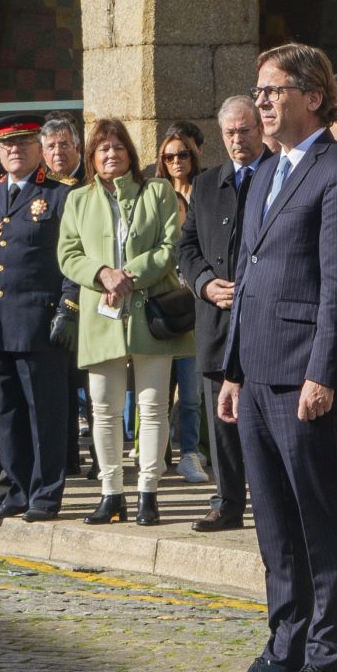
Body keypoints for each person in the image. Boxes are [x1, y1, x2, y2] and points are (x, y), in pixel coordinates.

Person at [210, 44, 337, 672]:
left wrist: (324, 373)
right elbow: (247, 277)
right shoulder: (269, 171)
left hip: (304, 375)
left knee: (320, 522)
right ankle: (285, 648)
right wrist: (232, 369)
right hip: (255, 374)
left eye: (274, 90)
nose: (262, 101)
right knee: (275, 523)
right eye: (259, 90)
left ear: (313, 95)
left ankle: (327, 662)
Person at [55, 118, 189, 525]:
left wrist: (127, 275)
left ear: (130, 153)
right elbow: (68, 253)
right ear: (92, 157)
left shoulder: (158, 191)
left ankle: (149, 491)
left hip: (151, 311)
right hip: (101, 315)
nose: (111, 155)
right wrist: (102, 274)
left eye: (118, 148)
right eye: (103, 149)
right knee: (104, 409)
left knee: (151, 408)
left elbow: (171, 245)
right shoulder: (78, 200)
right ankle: (111, 492)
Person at [0, 116, 76, 522]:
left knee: (44, 413)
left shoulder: (60, 194)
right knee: (6, 414)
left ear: (40, 148)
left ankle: (45, 494)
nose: (15, 150)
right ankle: (17, 488)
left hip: (38, 320)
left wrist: (69, 307)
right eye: (7, 145)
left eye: (25, 143)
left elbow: (72, 259)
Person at [177, 97, 263, 533]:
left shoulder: (276, 174)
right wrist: (205, 282)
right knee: (222, 419)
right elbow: (186, 246)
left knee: (263, 418)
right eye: (229, 132)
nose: (237, 139)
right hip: (216, 320)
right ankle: (228, 500)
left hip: (263, 320)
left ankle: (269, 502)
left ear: (261, 129)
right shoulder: (208, 183)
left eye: (244, 130)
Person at [155, 123, 210, 487]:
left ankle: (191, 453)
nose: (177, 161)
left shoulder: (207, 192)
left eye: (183, 154)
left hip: (193, 307)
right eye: (169, 156)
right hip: (159, 304)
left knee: (190, 394)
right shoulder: (154, 195)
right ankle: (156, 455)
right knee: (155, 393)